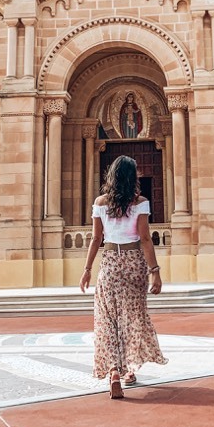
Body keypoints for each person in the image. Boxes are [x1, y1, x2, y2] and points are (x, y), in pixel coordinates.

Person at [79, 154, 167, 399]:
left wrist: (87, 270)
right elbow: (145, 238)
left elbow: (96, 239)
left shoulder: (100, 202)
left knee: (108, 319)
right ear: (132, 177)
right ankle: (129, 370)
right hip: (134, 263)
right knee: (132, 318)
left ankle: (114, 370)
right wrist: (155, 272)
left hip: (109, 263)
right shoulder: (140, 202)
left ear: (112, 176)